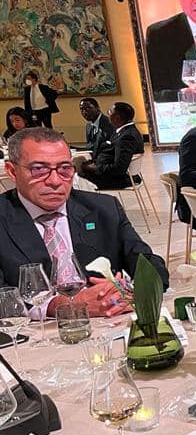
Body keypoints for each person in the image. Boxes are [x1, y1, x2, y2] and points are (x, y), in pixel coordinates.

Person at [0, 128, 168, 318]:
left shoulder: (103, 208)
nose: (55, 181)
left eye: (64, 168)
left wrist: (131, 290)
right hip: (35, 329)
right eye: (39, 169)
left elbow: (147, 262)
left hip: (109, 322)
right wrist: (62, 306)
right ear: (12, 171)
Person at [76, 102, 145, 189]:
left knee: (75, 177)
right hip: (109, 172)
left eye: (110, 112)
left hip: (118, 179)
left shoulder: (127, 137)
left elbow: (119, 168)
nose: (108, 115)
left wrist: (95, 167)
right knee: (77, 166)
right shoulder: (123, 131)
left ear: (117, 117)